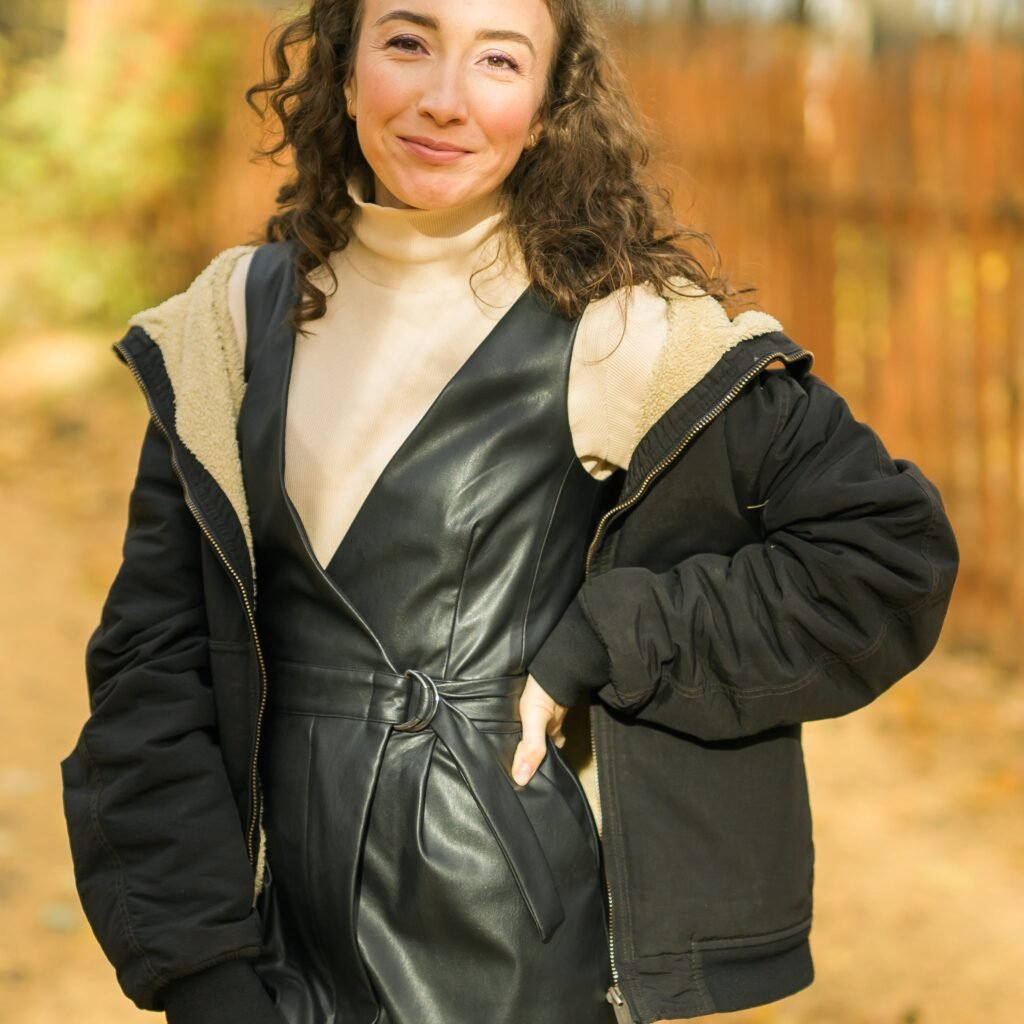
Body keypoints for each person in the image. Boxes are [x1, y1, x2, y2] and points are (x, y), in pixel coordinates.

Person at [60, 1, 959, 1023]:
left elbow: (886, 550)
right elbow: (149, 665)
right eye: (409, 43)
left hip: (513, 952)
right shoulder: (223, 327)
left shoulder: (623, 334)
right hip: (271, 953)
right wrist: (205, 975)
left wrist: (611, 637)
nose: (444, 100)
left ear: (544, 107)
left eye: (498, 60)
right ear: (347, 71)